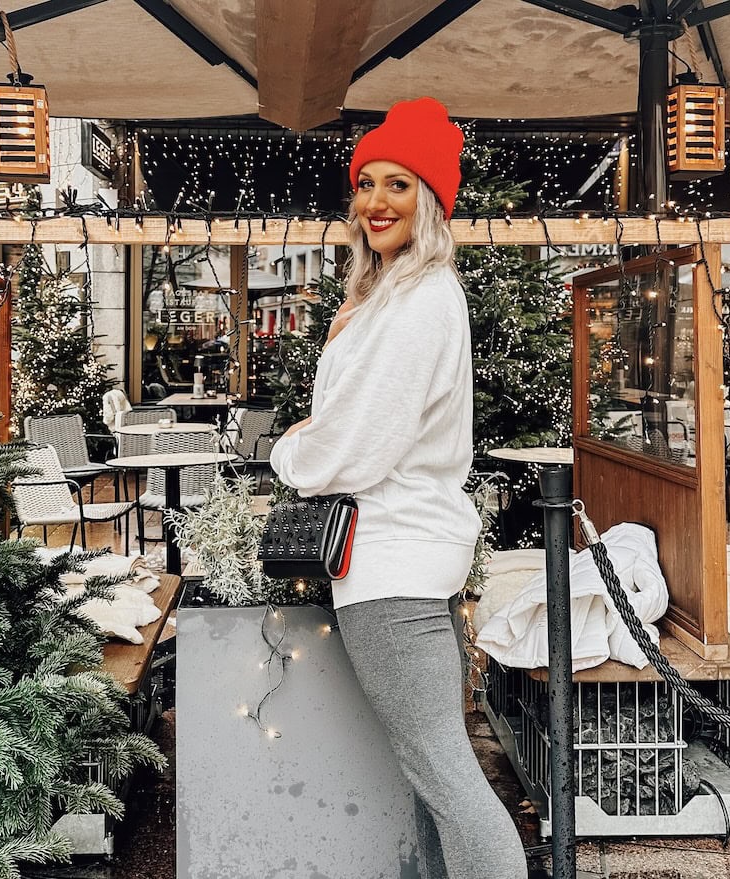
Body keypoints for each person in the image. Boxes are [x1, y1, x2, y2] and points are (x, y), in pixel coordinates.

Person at [269, 97, 527, 879]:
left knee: (449, 778)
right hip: (409, 559)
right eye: (367, 183)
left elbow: (354, 445)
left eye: (399, 185)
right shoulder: (397, 296)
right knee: (432, 776)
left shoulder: (419, 301)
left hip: (390, 568)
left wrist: (291, 451)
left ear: (433, 201)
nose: (375, 201)